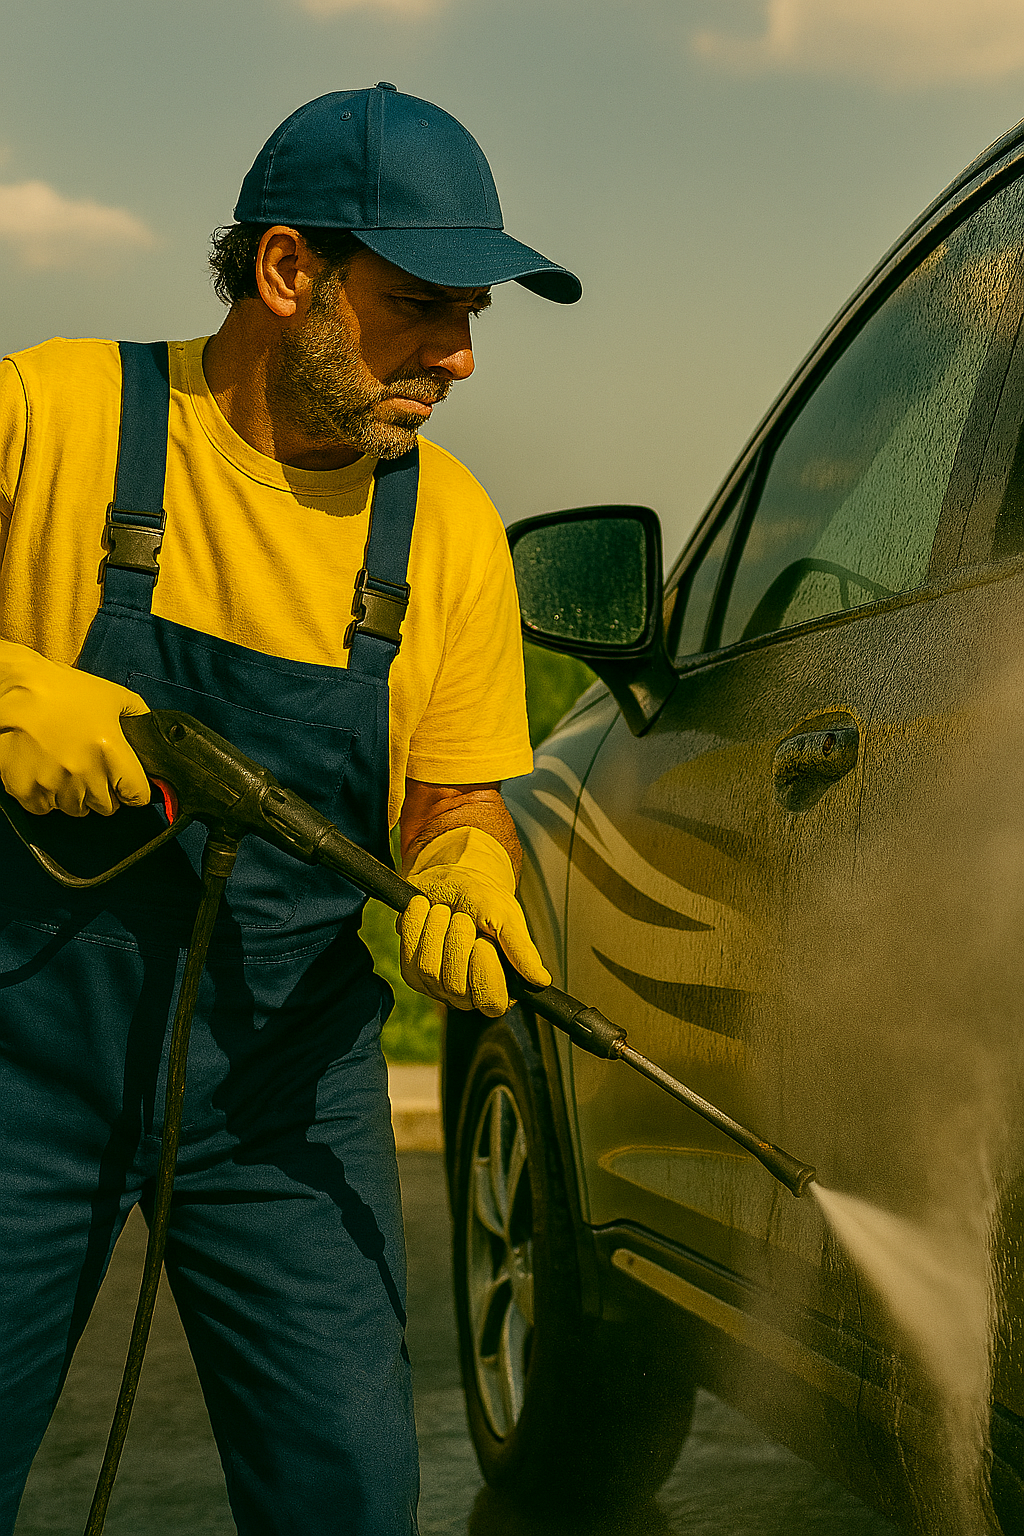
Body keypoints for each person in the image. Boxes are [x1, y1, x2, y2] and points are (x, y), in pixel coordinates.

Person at [0, 84, 580, 1535]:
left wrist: (465, 859)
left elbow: (457, 788)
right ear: (284, 273)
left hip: (278, 1095)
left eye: (474, 316)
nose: (455, 355)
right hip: (18, 1072)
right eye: (417, 305)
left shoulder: (442, 528)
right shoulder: (51, 413)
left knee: (350, 1489)